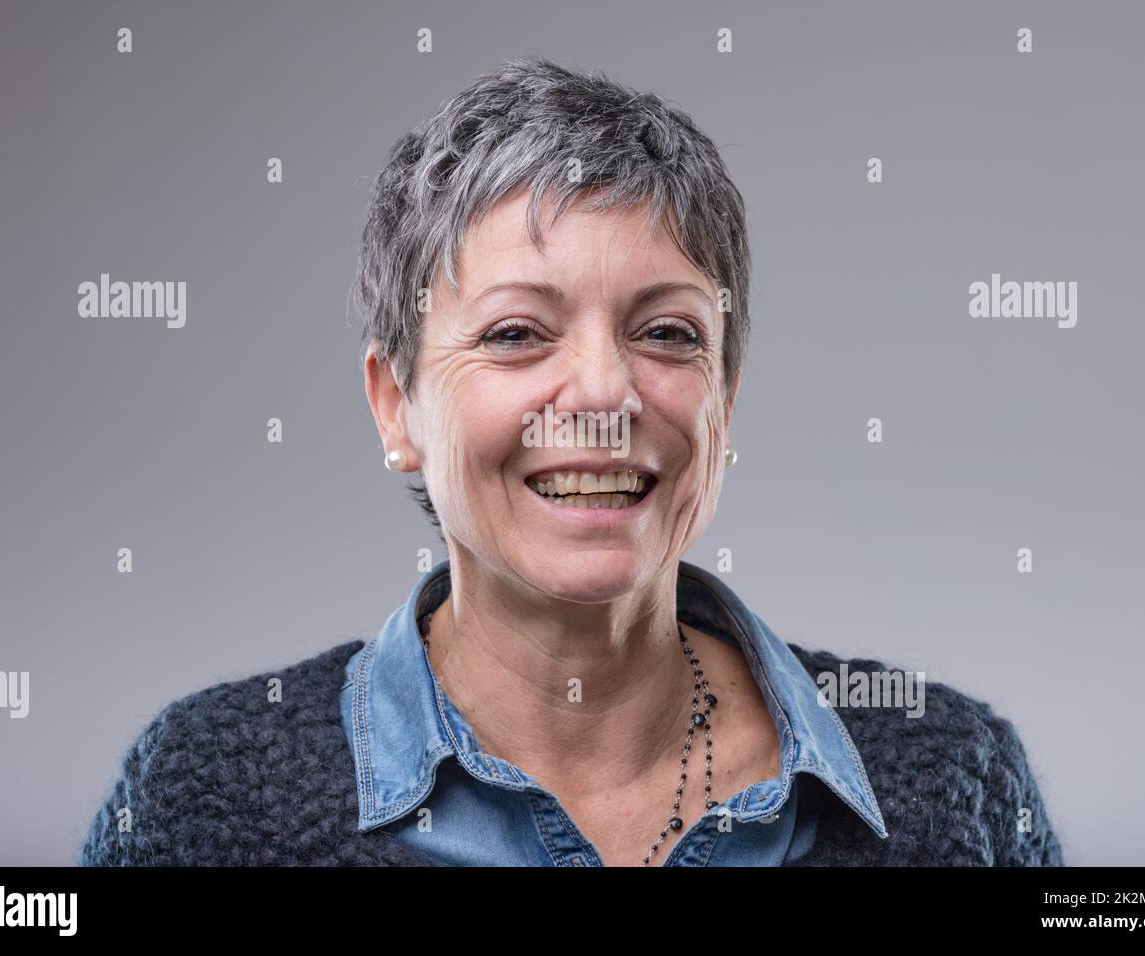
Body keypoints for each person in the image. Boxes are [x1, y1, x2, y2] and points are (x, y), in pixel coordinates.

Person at [80, 56, 1064, 867]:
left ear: (723, 398)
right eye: (515, 332)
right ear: (396, 406)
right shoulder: (206, 797)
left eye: (669, 333)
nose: (601, 392)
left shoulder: (956, 778)